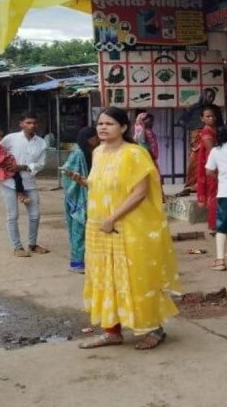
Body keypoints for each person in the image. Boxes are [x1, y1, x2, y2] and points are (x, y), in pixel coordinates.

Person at [65, 107, 179, 350]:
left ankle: (154, 329)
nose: (103, 127)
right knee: (105, 276)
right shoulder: (97, 152)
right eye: (100, 124)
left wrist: (113, 218)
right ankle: (112, 331)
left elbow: (140, 193)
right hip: (99, 225)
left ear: (124, 128)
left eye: (109, 124)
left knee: (136, 276)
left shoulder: (135, 153)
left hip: (128, 226)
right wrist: (83, 182)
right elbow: (103, 185)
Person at [0, 111, 49, 258]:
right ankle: (17, 247)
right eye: (28, 122)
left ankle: (32, 244)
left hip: (29, 182)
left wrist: (23, 167)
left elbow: (41, 164)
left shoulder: (41, 143)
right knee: (12, 216)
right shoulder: (10, 139)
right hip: (9, 182)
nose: (31, 125)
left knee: (35, 215)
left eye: (34, 123)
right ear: (21, 124)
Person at [62, 126, 99, 274]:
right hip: (79, 198)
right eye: (94, 136)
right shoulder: (78, 154)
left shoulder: (97, 152)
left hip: (94, 194)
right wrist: (78, 183)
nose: (97, 139)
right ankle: (77, 262)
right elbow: (66, 172)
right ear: (88, 139)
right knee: (79, 230)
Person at [204, 122, 227, 271]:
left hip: (225, 191)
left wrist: (221, 176)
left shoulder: (215, 151)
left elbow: (209, 171)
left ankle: (220, 260)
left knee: (222, 226)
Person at [176, 88, 222, 196]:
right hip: (197, 137)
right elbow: (182, 120)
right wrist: (194, 127)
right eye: (209, 96)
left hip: (212, 135)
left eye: (213, 96)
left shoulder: (215, 109)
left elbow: (220, 123)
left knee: (210, 159)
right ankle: (190, 185)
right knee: (194, 161)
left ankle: (207, 185)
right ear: (203, 95)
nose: (211, 98)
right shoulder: (194, 108)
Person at [0, 125, 30, 205]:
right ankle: (21, 194)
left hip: (1, 165)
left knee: (15, 179)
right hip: (6, 164)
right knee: (17, 177)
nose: (0, 139)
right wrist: (4, 158)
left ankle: (20, 195)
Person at [197, 106, 219, 231]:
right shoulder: (206, 132)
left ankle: (216, 223)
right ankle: (213, 225)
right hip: (212, 165)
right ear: (202, 119)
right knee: (213, 194)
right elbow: (212, 150)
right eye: (208, 116)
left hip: (214, 164)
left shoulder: (213, 129)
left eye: (213, 116)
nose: (211, 118)